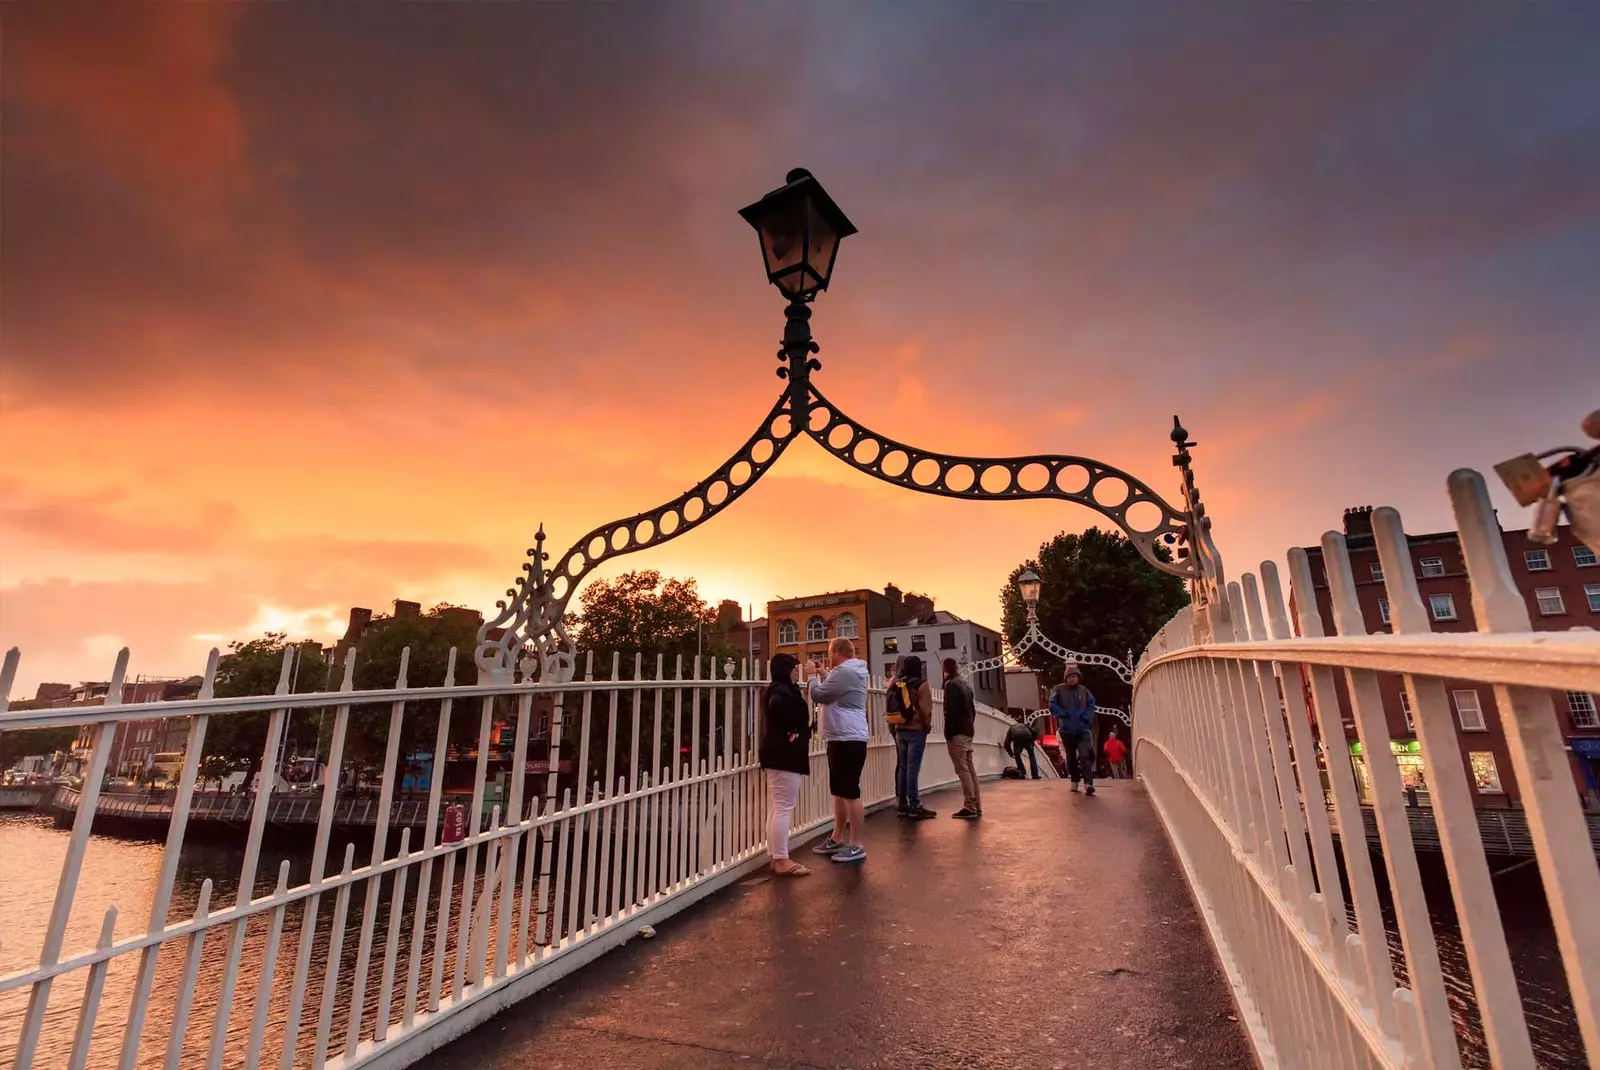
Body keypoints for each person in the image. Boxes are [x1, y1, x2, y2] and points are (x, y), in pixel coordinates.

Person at [807, 638, 871, 864]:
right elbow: (835, 689)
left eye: (829, 652)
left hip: (848, 738)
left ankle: (856, 844)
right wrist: (825, 675)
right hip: (840, 737)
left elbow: (820, 695)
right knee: (840, 790)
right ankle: (837, 837)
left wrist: (812, 676)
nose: (828, 656)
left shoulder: (845, 672)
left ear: (837, 652)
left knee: (850, 791)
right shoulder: (847, 672)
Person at [760, 653, 812, 876]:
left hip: (776, 753)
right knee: (783, 807)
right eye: (793, 669)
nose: (795, 673)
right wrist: (793, 731)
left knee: (777, 806)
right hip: (785, 755)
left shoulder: (777, 688)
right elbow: (779, 706)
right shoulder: (780, 691)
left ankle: (776, 855)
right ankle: (781, 859)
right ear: (784, 670)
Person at [892, 655, 936, 819]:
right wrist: (927, 726)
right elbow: (926, 710)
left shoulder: (899, 683)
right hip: (915, 729)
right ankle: (914, 804)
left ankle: (902, 803)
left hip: (899, 728)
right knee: (913, 768)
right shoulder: (921, 685)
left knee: (903, 767)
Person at [941, 658, 982, 818]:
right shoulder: (965, 684)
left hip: (957, 731)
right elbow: (972, 710)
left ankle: (970, 806)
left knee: (962, 769)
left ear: (945, 669)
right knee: (970, 768)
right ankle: (976, 804)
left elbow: (949, 712)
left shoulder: (951, 685)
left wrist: (948, 732)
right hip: (968, 730)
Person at [1050, 664, 1097, 795]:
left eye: (1075, 676)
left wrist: (1086, 718)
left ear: (1078, 677)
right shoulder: (1058, 689)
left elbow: (1091, 704)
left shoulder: (1084, 690)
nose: (1072, 679)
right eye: (1070, 676)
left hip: (1082, 729)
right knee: (1070, 757)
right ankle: (1075, 780)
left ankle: (1088, 783)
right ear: (1066, 678)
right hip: (1067, 730)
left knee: (1085, 755)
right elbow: (1052, 704)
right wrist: (1063, 714)